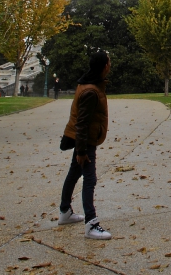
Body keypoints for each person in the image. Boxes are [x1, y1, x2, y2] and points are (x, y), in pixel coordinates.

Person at [58, 51, 112, 240]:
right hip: (85, 142)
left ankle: (65, 211)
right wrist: (81, 151)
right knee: (90, 180)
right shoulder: (91, 91)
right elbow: (82, 123)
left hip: (85, 140)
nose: (110, 65)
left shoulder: (89, 85)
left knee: (74, 174)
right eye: (109, 62)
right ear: (104, 65)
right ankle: (91, 223)